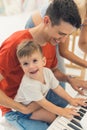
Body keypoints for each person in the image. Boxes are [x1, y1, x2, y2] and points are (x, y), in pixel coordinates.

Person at [0, 0, 87, 129]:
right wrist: (23, 109)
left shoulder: (50, 42)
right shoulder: (14, 45)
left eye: (67, 36)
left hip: (38, 96)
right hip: (17, 108)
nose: (62, 40)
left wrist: (69, 79)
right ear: (46, 21)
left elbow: (53, 71)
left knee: (75, 109)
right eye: (61, 34)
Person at [5, 40, 87, 130]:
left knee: (52, 116)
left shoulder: (47, 72)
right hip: (23, 110)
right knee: (51, 118)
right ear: (22, 67)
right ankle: (20, 121)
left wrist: (71, 99)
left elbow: (57, 87)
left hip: (37, 102)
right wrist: (61, 111)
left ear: (43, 61)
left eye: (35, 61)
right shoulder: (29, 85)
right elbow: (44, 103)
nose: (31, 66)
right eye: (26, 64)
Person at [25, 0, 87, 86]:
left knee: (55, 76)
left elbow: (83, 43)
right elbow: (64, 51)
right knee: (45, 77)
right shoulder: (74, 11)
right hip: (42, 27)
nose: (64, 40)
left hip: (55, 30)